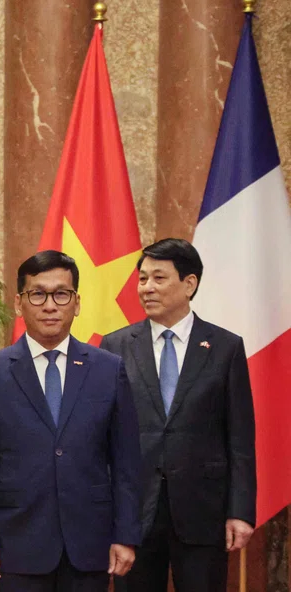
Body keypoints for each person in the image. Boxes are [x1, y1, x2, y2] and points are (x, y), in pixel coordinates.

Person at [0, 250, 141, 591]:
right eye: (38, 294)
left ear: (76, 303)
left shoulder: (108, 369)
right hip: (16, 545)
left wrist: (126, 534)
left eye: (61, 294)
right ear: (19, 303)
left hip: (90, 544)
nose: (49, 305)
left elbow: (126, 462)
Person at [101, 238, 255, 592]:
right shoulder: (115, 346)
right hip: (135, 512)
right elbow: (105, 435)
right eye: (142, 279)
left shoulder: (225, 347)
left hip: (204, 510)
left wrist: (240, 510)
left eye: (158, 278)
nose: (147, 288)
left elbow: (240, 439)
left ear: (189, 284)